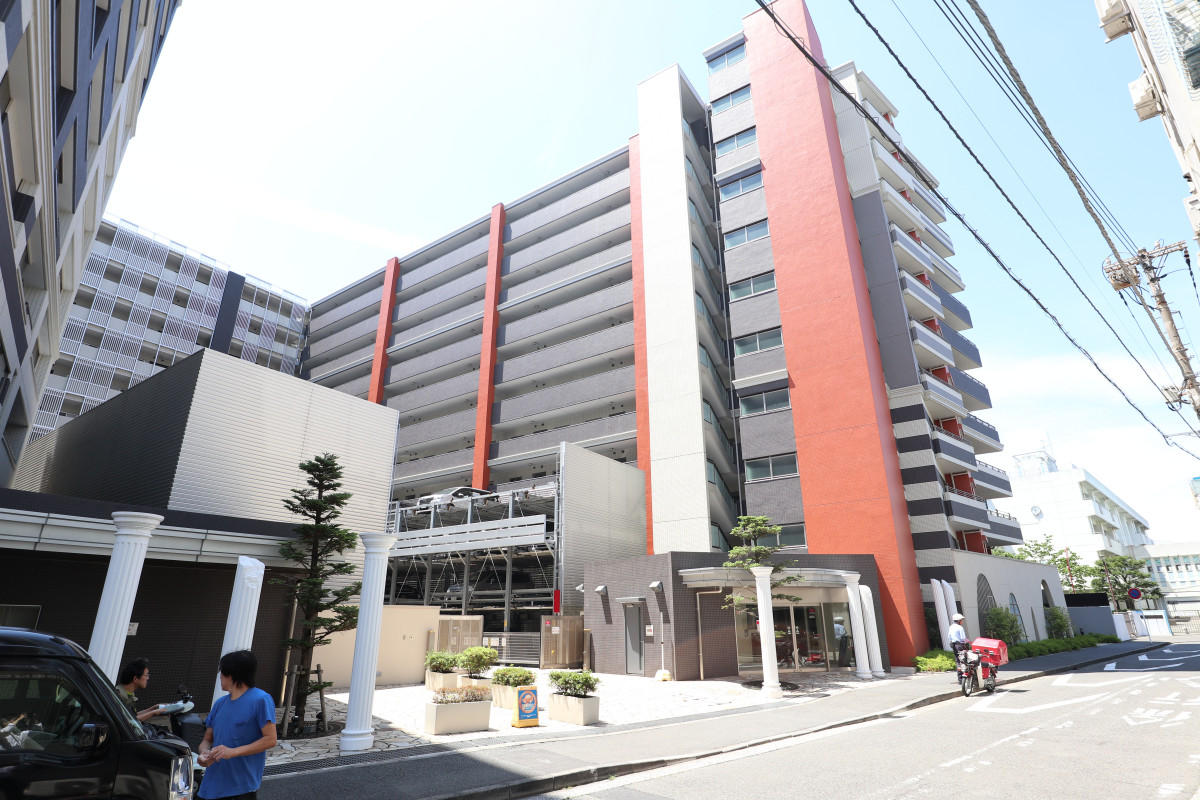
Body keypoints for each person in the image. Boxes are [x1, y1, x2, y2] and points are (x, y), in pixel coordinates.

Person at [197, 650, 277, 800]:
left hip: (240, 789)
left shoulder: (261, 700)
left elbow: (270, 739)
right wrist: (203, 754)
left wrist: (233, 752)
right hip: (209, 787)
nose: (220, 676)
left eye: (221, 671)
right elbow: (207, 739)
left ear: (231, 674)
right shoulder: (219, 704)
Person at [116, 658, 163, 722]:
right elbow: (127, 721)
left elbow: (133, 716)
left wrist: (154, 708)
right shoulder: (118, 695)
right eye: (146, 675)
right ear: (135, 678)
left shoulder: (129, 693)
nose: (148, 678)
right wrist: (153, 712)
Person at [948, 612, 970, 676]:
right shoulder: (960, 628)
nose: (962, 621)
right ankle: (966, 675)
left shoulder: (951, 627)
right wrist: (968, 641)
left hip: (954, 645)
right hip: (960, 645)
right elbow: (963, 638)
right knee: (964, 660)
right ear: (959, 621)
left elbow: (949, 636)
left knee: (958, 660)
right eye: (962, 620)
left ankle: (960, 678)